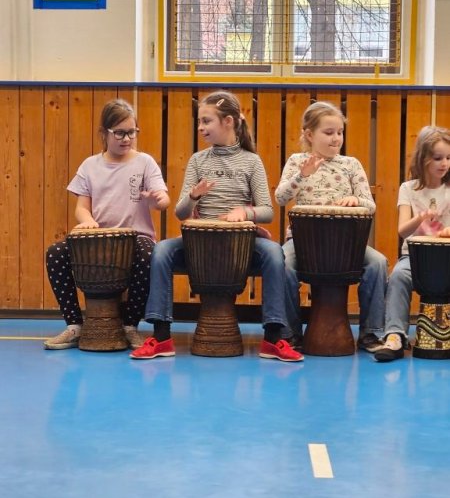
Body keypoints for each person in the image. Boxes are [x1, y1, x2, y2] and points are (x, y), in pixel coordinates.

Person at [130, 89, 303, 362]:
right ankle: (161, 336)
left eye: (206, 121)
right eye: (199, 121)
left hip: (241, 246)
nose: (200, 127)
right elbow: (180, 212)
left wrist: (245, 211)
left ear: (229, 122)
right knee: (162, 251)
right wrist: (193, 195)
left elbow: (268, 211)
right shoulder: (198, 160)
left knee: (274, 252)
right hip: (201, 244)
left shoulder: (251, 161)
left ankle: (274, 337)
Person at [44, 98, 170, 350]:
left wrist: (158, 199)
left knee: (149, 254)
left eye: (132, 132)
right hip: (98, 241)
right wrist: (88, 220)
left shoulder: (145, 162)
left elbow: (163, 201)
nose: (126, 139)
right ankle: (74, 325)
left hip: (136, 240)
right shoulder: (90, 165)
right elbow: (81, 207)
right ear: (104, 133)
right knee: (55, 253)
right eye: (119, 133)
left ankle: (130, 326)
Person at [275, 100, 388, 353]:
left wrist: (356, 200)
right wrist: (302, 175)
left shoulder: (351, 164)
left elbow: (370, 205)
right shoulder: (297, 161)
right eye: (328, 132)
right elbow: (281, 198)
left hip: (346, 244)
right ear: (309, 134)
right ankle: (290, 333)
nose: (336, 138)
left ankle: (371, 333)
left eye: (340, 132)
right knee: (282, 265)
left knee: (378, 263)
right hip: (301, 242)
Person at [374, 125, 450, 362]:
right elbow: (402, 230)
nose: (444, 163)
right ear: (423, 158)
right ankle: (395, 335)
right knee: (398, 276)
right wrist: (420, 218)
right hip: (414, 258)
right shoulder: (408, 189)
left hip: (446, 258)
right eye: (438, 158)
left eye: (448, 158)